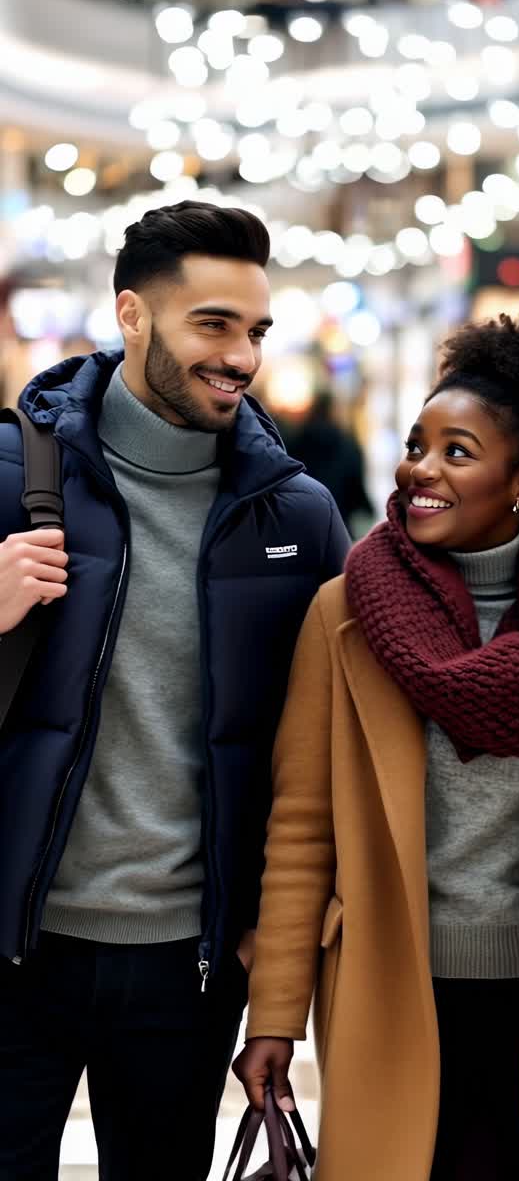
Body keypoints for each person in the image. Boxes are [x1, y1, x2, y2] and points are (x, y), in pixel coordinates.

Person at [235, 312, 519, 1181]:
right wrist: (273, 1014)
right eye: (418, 443)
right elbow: (302, 826)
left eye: (457, 452)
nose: (419, 469)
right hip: (390, 981)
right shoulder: (345, 611)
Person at [0, 200, 349, 1181]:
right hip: (16, 945)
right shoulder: (10, 472)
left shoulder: (297, 515)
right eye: (213, 324)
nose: (240, 355)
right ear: (133, 316)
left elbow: (325, 744)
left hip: (186, 968)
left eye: (255, 330)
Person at [283, 392, 375, 537]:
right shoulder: (347, 445)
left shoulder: (294, 442)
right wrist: (367, 508)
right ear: (333, 411)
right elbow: (356, 489)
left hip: (301, 524)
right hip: (339, 525)